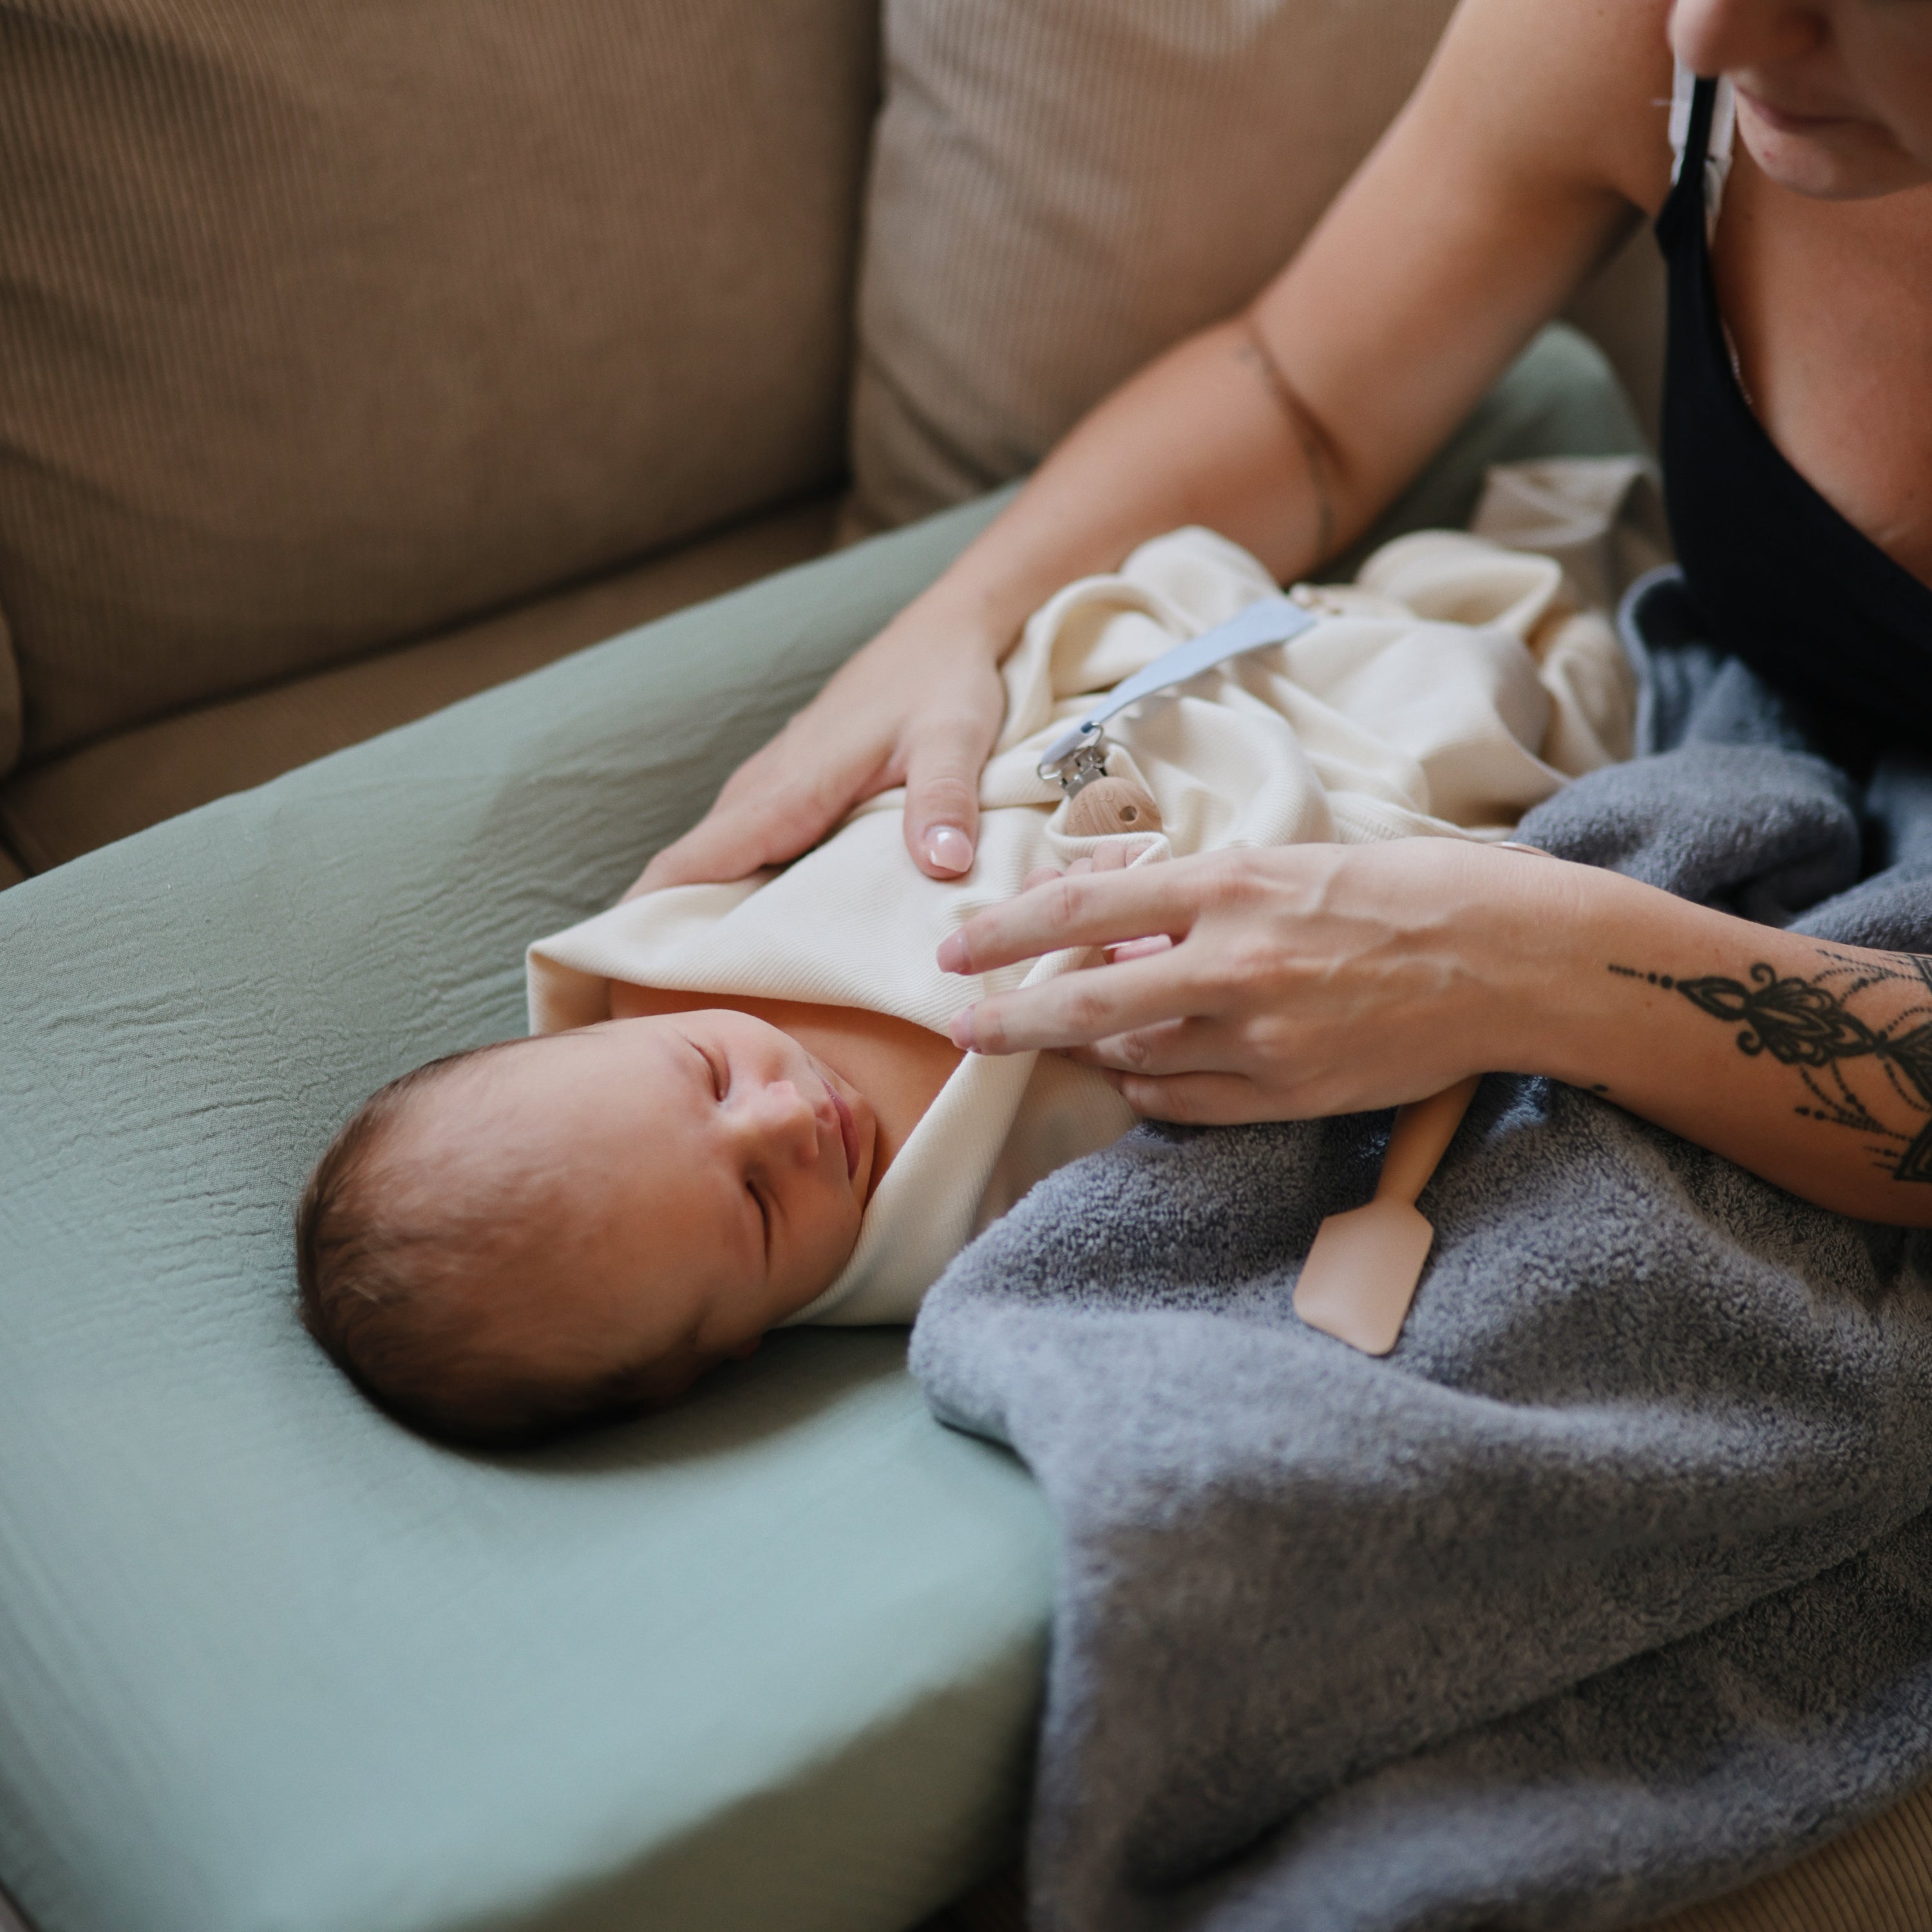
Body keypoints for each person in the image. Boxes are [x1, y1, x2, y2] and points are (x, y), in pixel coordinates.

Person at [631, 0, 1932, 1229]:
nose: (1708, 30)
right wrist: (961, 621)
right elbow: (1301, 398)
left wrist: (1519, 965)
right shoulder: (1640, 31)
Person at [296, 518, 1638, 1443]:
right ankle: (1578, 636)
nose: (782, 1120)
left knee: (1329, 627)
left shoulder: (658, 961)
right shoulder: (942, 1246)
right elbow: (1170, 1154)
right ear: (719, 1355)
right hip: (1289, 874)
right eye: (758, 1206)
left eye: (705, 1074)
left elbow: (868, 818)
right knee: (1481, 706)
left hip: (1122, 732)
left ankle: (1506, 596)